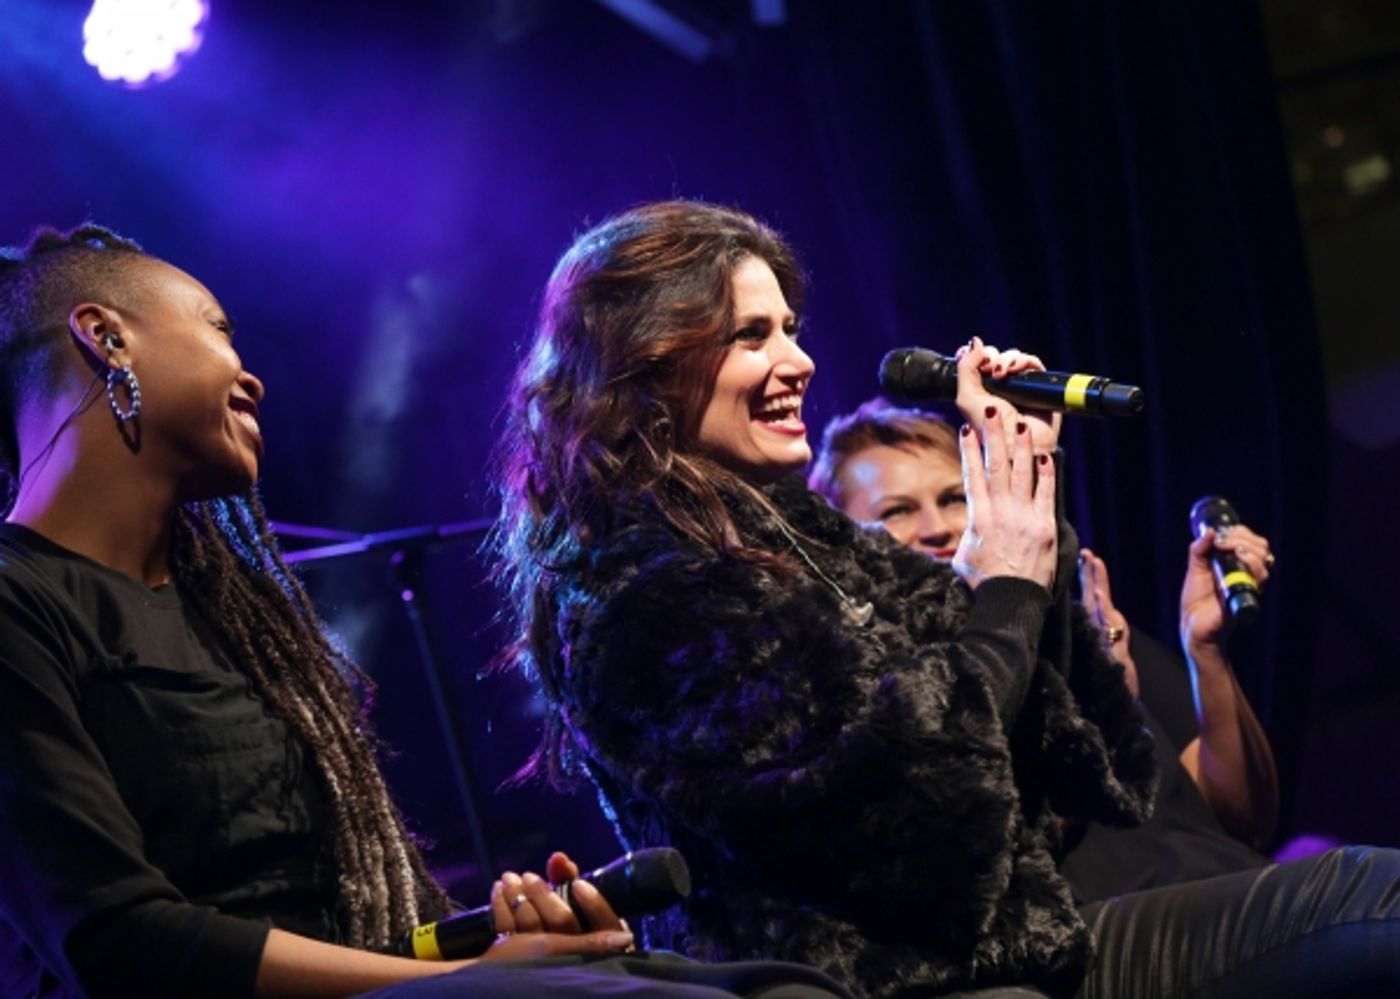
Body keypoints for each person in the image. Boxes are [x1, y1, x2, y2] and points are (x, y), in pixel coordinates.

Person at [490, 199, 1400, 998]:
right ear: (648, 361)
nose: (799, 360)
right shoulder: (639, 587)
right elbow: (914, 775)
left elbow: (1079, 747)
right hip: (891, 980)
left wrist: (1019, 473)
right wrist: (1002, 576)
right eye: (752, 334)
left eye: (792, 327)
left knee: (1371, 893)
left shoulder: (801, 537)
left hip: (1016, 945)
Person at [0, 224, 718, 999]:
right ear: (106, 337)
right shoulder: (20, 605)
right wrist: (469, 982)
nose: (253, 378)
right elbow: (116, 941)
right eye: (217, 329)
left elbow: (345, 922)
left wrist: (509, 943)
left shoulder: (237, 618)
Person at [807, 400, 1278, 900]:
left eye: (955, 497)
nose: (938, 527)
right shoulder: (881, 683)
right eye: (896, 510)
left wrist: (1205, 651)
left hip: (1240, 894)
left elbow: (1244, 820)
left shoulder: (1092, 634)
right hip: (1123, 928)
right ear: (841, 539)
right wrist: (1105, 721)